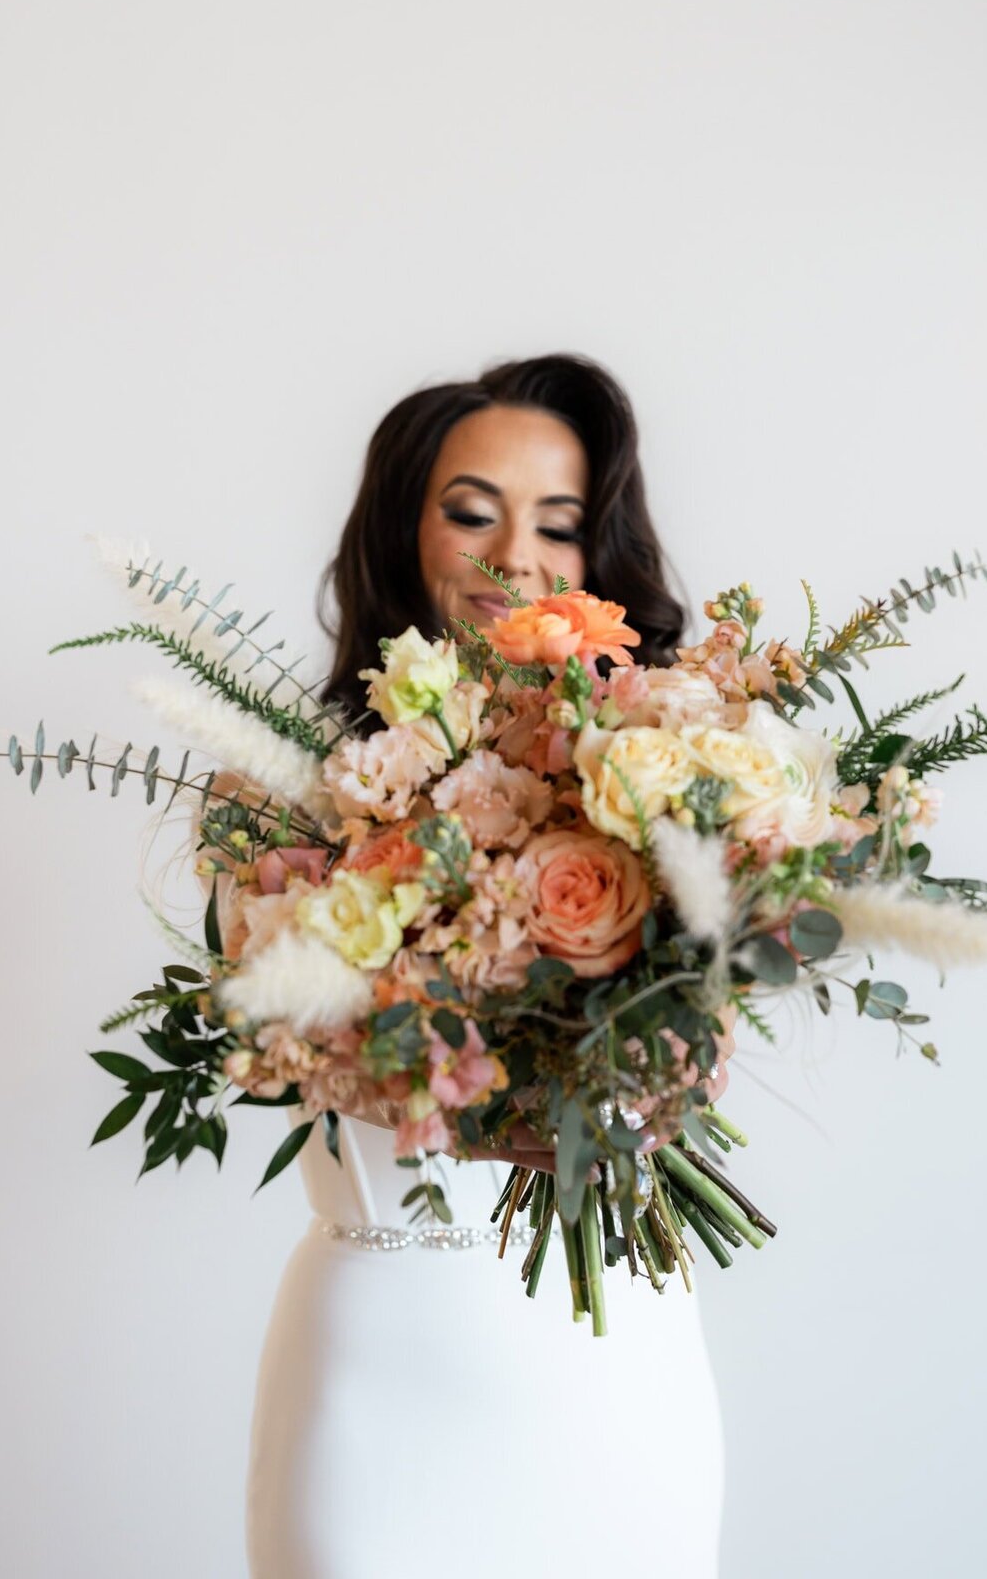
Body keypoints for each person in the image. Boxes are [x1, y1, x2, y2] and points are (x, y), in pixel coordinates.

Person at [210, 354, 734, 1578]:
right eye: (472, 511)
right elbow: (302, 1061)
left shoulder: (670, 786)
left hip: (616, 1369)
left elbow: (690, 1068)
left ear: (599, 561)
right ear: (408, 530)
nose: (518, 558)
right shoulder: (284, 801)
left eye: (559, 523)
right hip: (380, 1360)